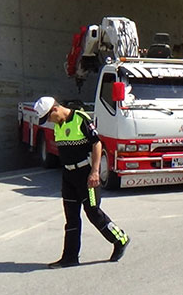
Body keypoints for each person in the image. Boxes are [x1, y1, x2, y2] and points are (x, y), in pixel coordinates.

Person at [33, 97, 130, 268]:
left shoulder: (80, 118)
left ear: (55, 109)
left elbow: (97, 144)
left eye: (48, 117)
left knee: (93, 211)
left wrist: (95, 171)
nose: (48, 121)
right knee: (71, 217)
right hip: (68, 176)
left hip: (86, 174)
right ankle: (70, 257)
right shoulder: (58, 125)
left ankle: (120, 239)